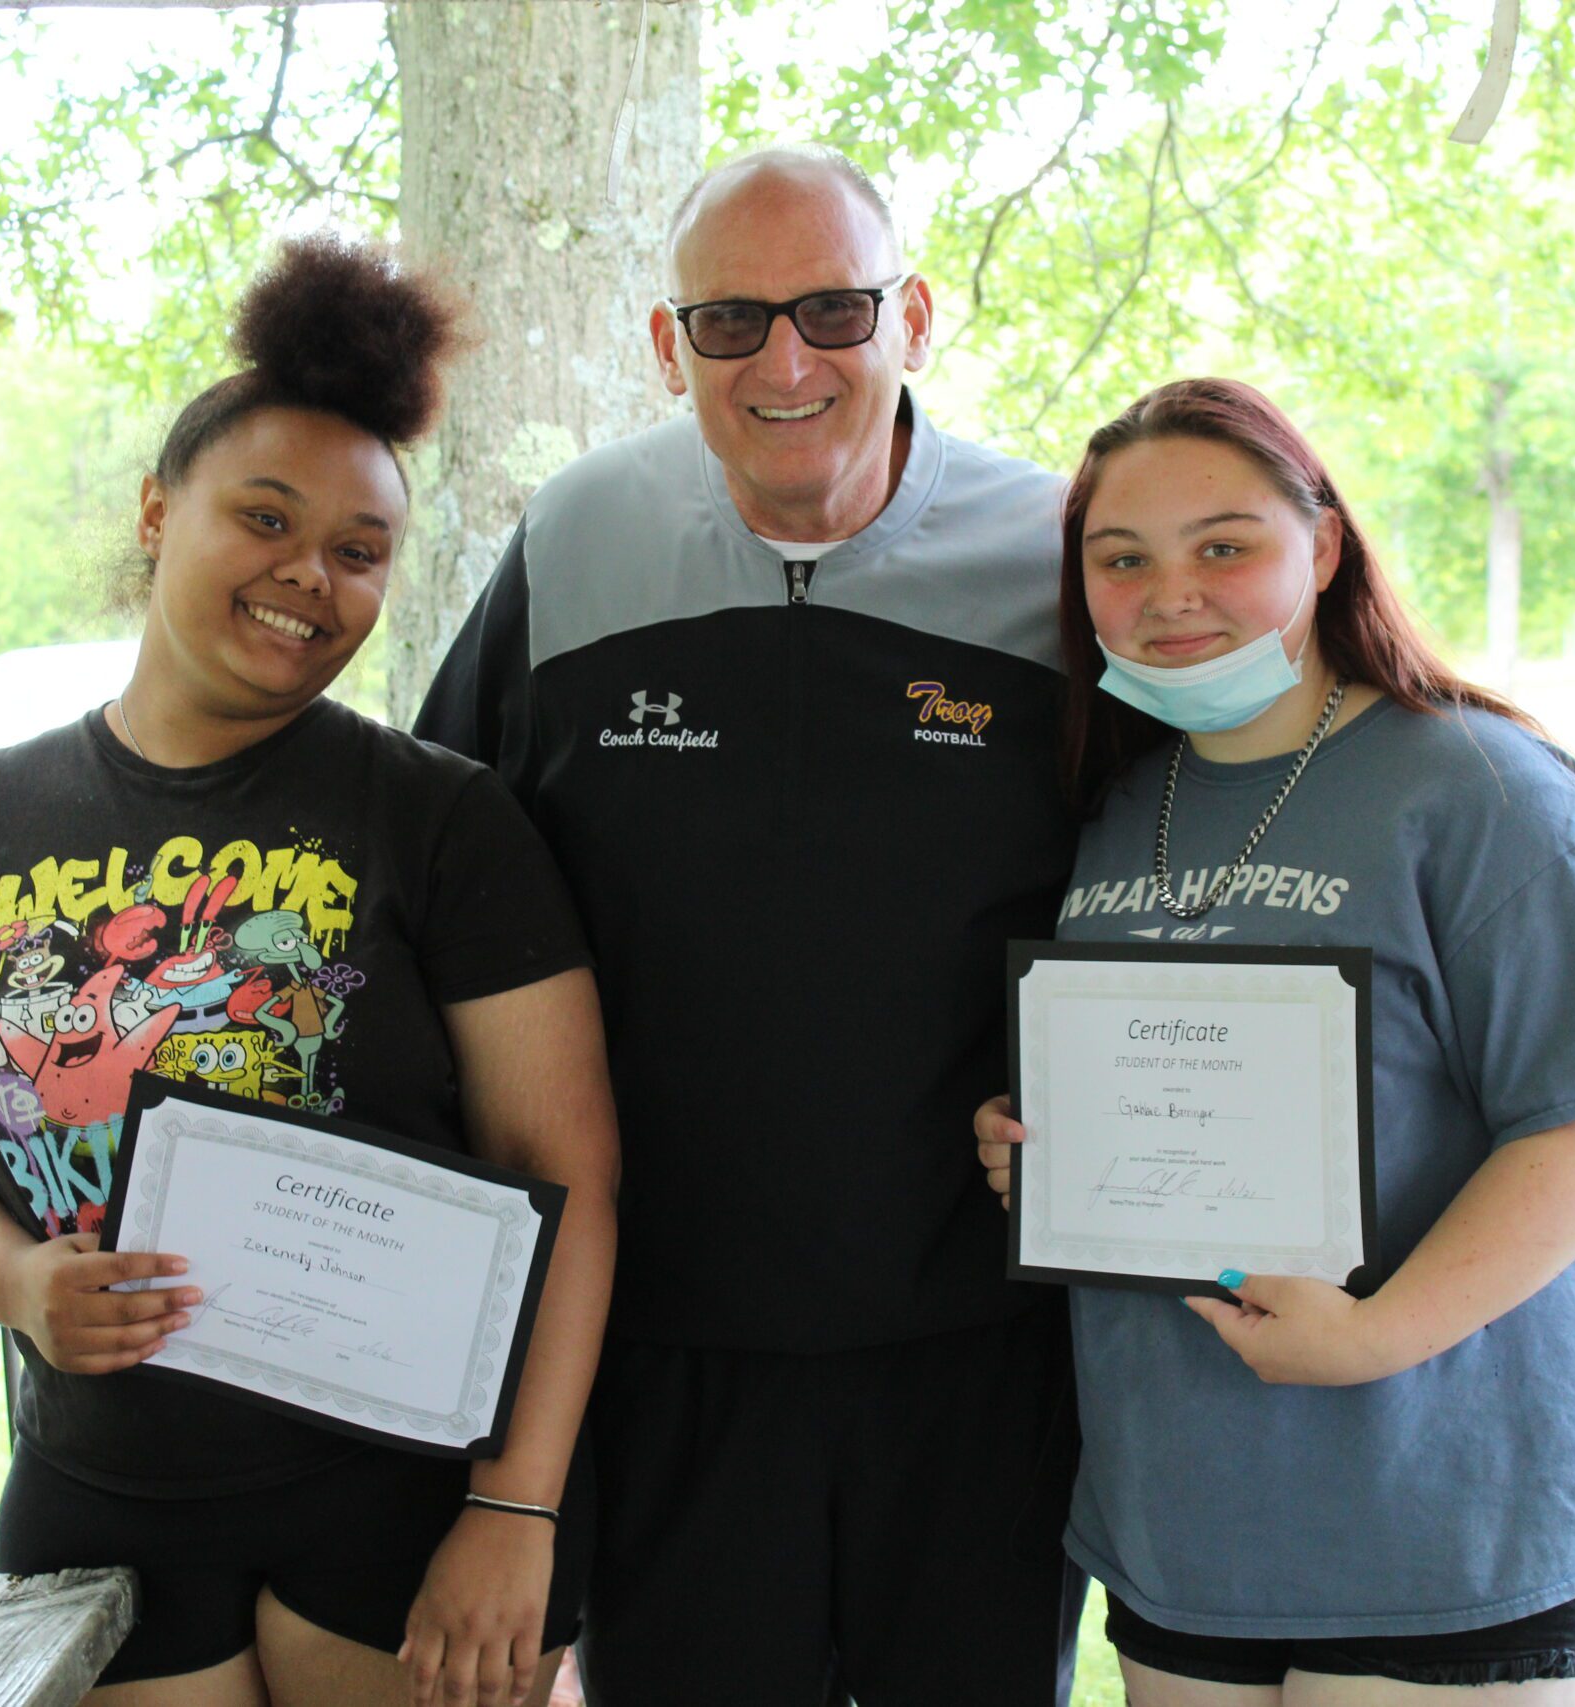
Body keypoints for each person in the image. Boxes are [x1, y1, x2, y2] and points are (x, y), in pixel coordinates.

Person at [0, 233, 618, 1707]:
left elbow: (564, 1173)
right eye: (264, 517)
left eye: (359, 550)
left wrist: (516, 1512)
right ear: (157, 511)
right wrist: (15, 1280)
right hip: (102, 1500)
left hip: (405, 1500)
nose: (307, 578)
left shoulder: (441, 816)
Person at [415, 146, 1085, 1705]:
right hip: (661, 1357)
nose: (787, 362)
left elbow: (1173, 875)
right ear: (668, 345)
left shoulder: (1058, 558)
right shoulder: (575, 543)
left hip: (984, 1357)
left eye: (835, 311)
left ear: (912, 315)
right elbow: (442, 888)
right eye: (731, 322)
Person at [975, 378, 1575, 1705]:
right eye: (1121, 558)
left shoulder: (1484, 789)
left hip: (1446, 1513)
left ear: (1327, 545)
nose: (1170, 590)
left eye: (1225, 545)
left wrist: (1375, 1335)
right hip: (1182, 1524)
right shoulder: (1122, 801)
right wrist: (1049, 1153)